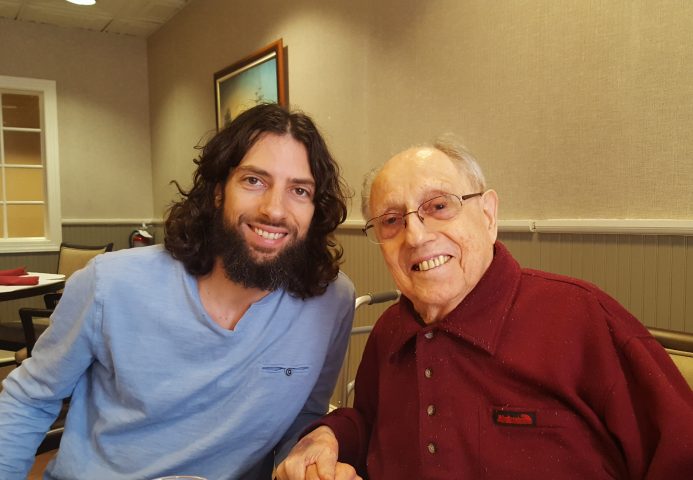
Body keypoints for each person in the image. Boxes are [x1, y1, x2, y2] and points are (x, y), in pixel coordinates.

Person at [276, 137, 693, 480]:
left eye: (439, 206)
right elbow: (370, 421)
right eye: (391, 220)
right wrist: (329, 436)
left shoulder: (581, 316)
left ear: (488, 214)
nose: (416, 236)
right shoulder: (389, 331)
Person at [0, 103, 356, 480]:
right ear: (219, 191)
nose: (275, 210)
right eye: (254, 181)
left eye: (299, 190)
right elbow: (30, 400)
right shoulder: (110, 284)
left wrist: (306, 459)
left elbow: (305, 415)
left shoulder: (331, 301)